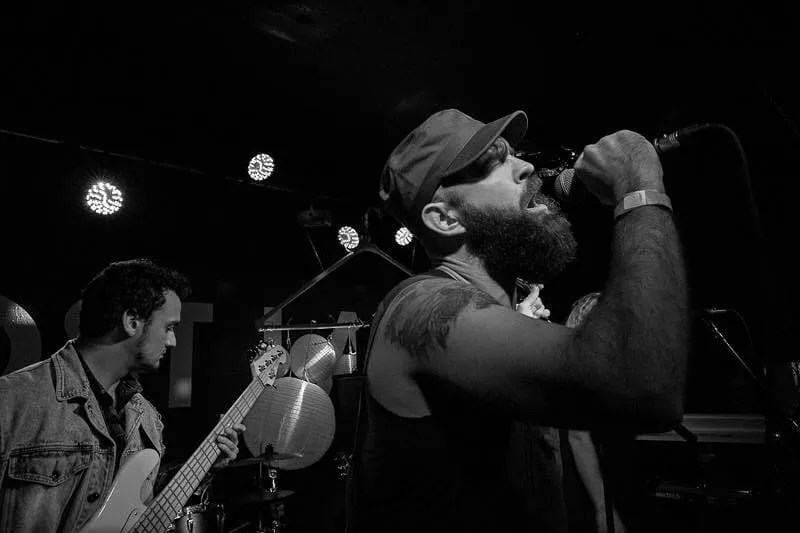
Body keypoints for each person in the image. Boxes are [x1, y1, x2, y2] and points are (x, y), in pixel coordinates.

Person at [354, 108, 689, 532]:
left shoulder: (502, 311)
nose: (526, 166)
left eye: (514, 153)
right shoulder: (422, 307)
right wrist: (639, 187)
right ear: (445, 218)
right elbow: (642, 383)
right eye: (492, 162)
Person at [0, 259, 244, 532]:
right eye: (169, 327)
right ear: (131, 321)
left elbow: (142, 506)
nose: (173, 340)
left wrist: (207, 465)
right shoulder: (11, 400)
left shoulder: (147, 417)